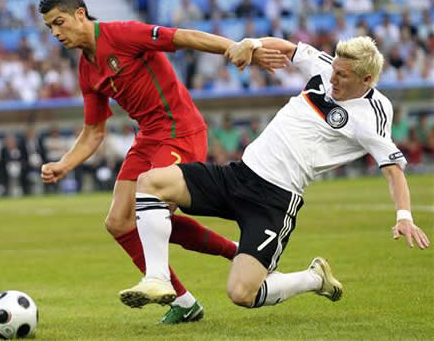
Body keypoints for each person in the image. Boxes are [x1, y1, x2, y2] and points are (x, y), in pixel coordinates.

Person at [119, 36, 431, 311]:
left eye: (342, 75)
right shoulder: (326, 68)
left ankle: (313, 278)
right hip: (239, 174)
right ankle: (157, 279)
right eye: (333, 69)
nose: (332, 77)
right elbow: (289, 48)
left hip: (274, 201)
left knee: (241, 293)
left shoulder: (372, 116)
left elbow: (393, 170)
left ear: (365, 79)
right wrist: (252, 43)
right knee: (150, 183)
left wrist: (404, 215)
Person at [37, 0, 287, 324]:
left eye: (59, 22)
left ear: (80, 13)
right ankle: (184, 301)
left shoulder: (122, 34)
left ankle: (216, 259)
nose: (55, 33)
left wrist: (232, 48)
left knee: (151, 211)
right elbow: (94, 131)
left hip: (180, 130)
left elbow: (182, 37)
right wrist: (63, 164)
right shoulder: (87, 69)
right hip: (148, 138)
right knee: (118, 223)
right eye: (50, 28)